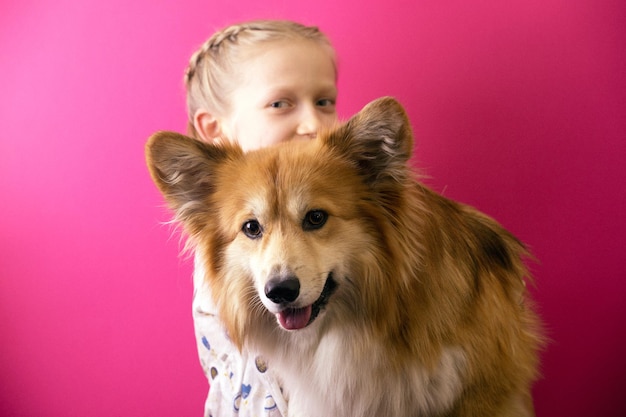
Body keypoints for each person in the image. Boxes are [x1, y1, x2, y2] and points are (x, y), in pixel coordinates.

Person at [183, 20, 339, 417]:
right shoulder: (219, 241)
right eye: (280, 103)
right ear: (214, 129)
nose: (313, 124)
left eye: (324, 102)